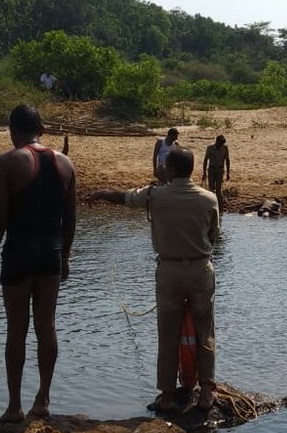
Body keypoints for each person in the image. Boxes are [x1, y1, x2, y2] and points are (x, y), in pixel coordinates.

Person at [86, 147, 220, 412]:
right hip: (200, 269)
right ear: (192, 168)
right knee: (205, 330)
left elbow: (123, 197)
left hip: (168, 270)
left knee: (167, 333)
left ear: (170, 169)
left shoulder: (154, 195)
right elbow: (213, 235)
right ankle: (206, 391)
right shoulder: (209, 198)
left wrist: (101, 193)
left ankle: (167, 395)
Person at [0, 105, 77, 424]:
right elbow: (71, 218)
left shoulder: (6, 162)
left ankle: (14, 407)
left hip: (19, 251)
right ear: (41, 130)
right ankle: (43, 399)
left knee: (16, 329)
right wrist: (65, 256)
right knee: (47, 325)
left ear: (13, 130)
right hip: (51, 252)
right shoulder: (66, 163)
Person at [202, 135, 231, 202]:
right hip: (211, 169)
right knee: (211, 189)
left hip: (220, 170)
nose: (221, 145)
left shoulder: (225, 148)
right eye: (221, 143)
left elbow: (227, 160)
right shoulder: (210, 148)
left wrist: (228, 173)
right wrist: (204, 173)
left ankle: (219, 204)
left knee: (218, 189)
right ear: (217, 142)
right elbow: (205, 160)